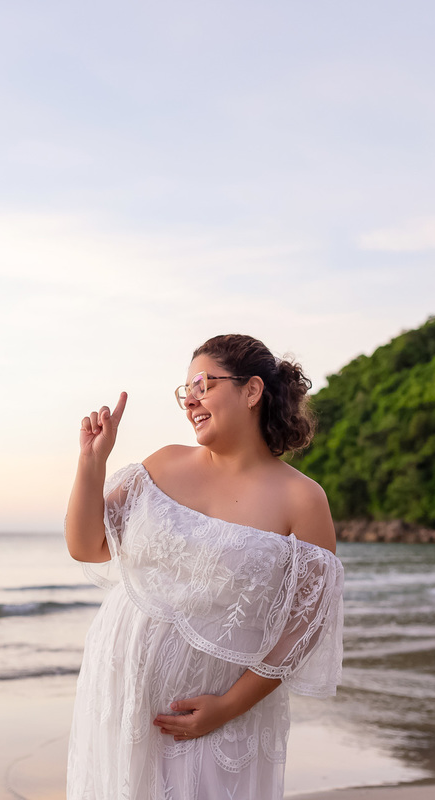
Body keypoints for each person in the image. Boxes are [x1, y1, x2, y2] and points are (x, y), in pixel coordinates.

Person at [64, 333, 345, 800]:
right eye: (185, 392)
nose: (190, 400)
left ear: (251, 391)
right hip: (118, 700)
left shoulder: (302, 498)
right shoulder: (163, 464)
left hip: (219, 718)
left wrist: (229, 707)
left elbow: (306, 624)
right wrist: (92, 462)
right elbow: (86, 545)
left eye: (202, 385)